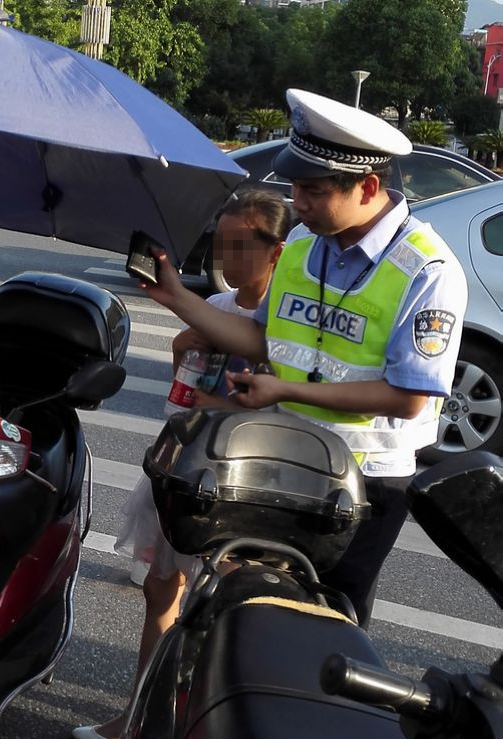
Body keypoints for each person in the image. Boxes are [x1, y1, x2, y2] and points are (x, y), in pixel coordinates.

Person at [142, 88, 466, 632]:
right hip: (284, 458)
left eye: (313, 191)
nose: (299, 202)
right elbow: (262, 340)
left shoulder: (427, 269)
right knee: (248, 610)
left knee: (325, 629)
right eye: (294, 186)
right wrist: (179, 299)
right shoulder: (301, 243)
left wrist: (286, 392)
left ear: (367, 187)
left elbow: (409, 398)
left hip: (364, 484)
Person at [74, 190, 289, 739]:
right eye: (221, 244)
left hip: (244, 487)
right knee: (160, 593)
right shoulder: (213, 308)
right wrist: (182, 350)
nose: (227, 258)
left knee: (229, 609)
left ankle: (201, 725)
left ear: (276, 252)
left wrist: (215, 400)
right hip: (184, 467)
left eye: (240, 246)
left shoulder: (281, 322)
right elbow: (181, 397)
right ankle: (142, 718)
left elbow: (278, 408)